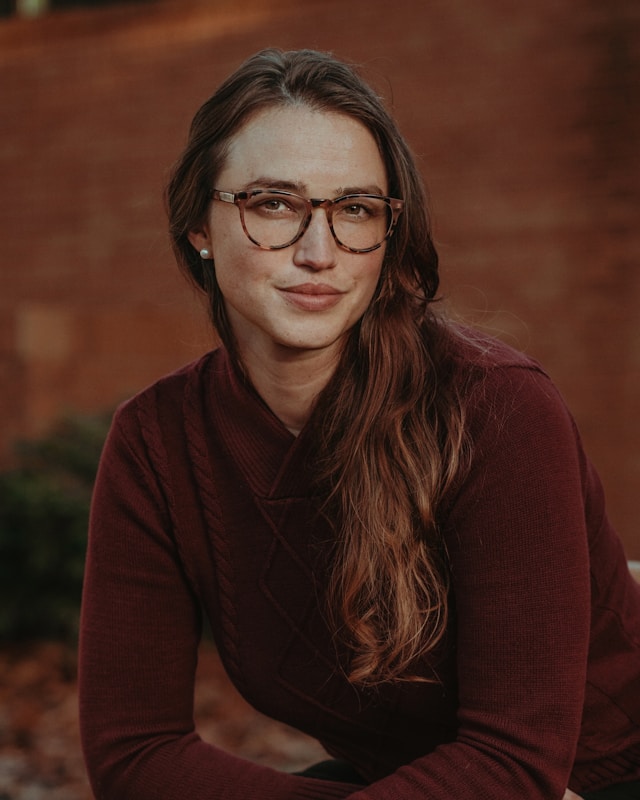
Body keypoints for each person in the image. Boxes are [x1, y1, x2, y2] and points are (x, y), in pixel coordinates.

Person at [78, 48, 640, 800]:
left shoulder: (496, 409)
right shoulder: (157, 445)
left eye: (355, 210)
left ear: (388, 235)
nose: (319, 253)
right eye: (274, 204)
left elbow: (518, 758)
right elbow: (135, 753)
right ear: (198, 226)